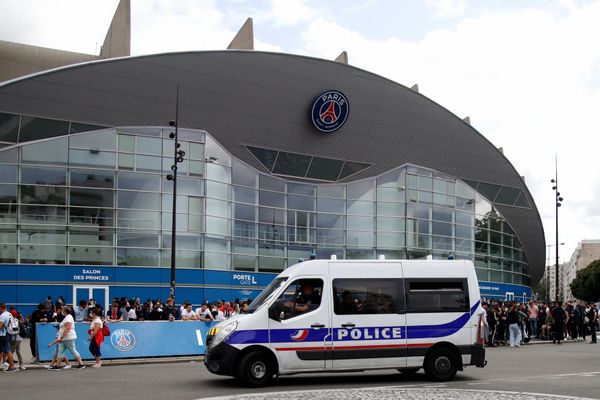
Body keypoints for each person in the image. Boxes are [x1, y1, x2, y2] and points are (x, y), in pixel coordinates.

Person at [0, 303, 18, 372]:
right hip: (9, 334)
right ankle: (11, 366)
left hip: (4, 335)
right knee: (3, 350)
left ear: (1, 308)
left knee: (7, 350)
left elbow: (0, 326)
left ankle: (12, 366)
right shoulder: (9, 314)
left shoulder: (2, 315)